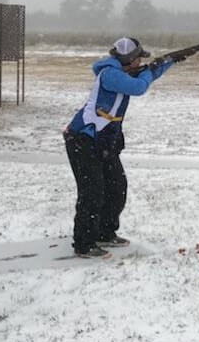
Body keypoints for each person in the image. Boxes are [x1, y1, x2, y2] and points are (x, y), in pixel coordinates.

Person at [63, 37, 177, 257]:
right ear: (129, 59)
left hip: (104, 140)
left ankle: (105, 232)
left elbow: (147, 75)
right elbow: (139, 87)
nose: (139, 63)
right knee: (92, 192)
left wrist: (168, 62)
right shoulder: (111, 74)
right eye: (137, 59)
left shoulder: (123, 72)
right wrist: (151, 70)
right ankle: (84, 244)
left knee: (116, 186)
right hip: (83, 140)